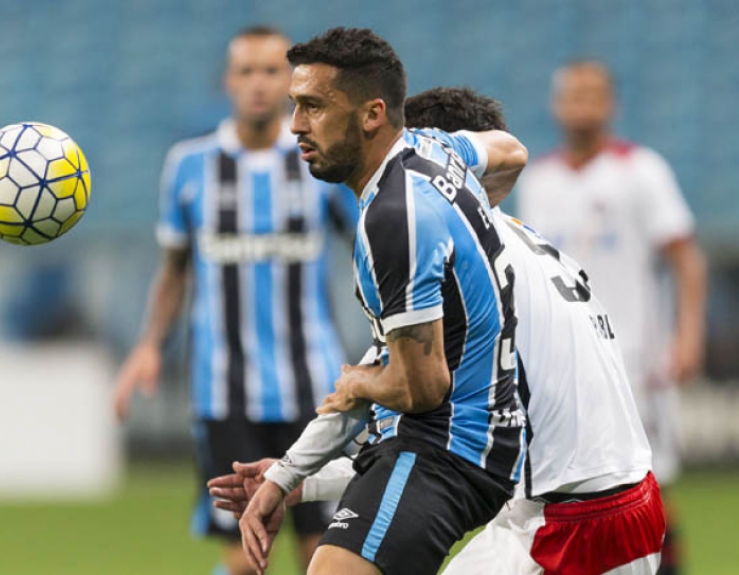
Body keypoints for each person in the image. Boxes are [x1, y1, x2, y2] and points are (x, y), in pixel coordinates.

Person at [211, 87, 668, 574]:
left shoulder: (456, 263)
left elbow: (394, 408)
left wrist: (293, 469)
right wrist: (303, 480)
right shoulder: (525, 242)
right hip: (609, 505)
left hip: (573, 524)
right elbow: (439, 445)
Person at [235, 28, 529, 575]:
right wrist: (285, 475)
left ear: (372, 114)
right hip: (449, 442)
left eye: (314, 107)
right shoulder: (434, 151)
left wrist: (356, 382)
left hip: (443, 449)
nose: (296, 125)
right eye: (295, 106)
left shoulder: (395, 218)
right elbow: (512, 151)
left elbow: (420, 386)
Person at [111, 25, 357, 575]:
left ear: (291, 84)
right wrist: (150, 344)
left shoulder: (320, 164)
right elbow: (174, 269)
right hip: (225, 393)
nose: (258, 84)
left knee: (321, 556)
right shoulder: (189, 165)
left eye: (271, 71)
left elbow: (373, 249)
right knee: (246, 560)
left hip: (314, 391)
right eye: (246, 71)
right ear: (228, 81)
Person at [517, 60, 707, 574]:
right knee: (571, 494)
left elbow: (686, 257)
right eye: (572, 94)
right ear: (556, 104)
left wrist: (687, 337)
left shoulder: (641, 171)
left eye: (592, 94)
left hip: (634, 360)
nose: (582, 104)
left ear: (611, 103)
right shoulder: (539, 179)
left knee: (650, 486)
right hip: (563, 369)